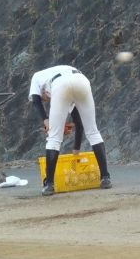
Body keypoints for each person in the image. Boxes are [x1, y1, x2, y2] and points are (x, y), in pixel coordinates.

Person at [29, 65, 111, 196]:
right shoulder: (55, 76)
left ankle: (49, 184)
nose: (48, 99)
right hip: (81, 80)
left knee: (54, 138)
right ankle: (105, 178)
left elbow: (36, 101)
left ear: (43, 91)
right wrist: (75, 153)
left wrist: (46, 121)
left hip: (60, 84)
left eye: (46, 97)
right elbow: (79, 124)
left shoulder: (36, 77)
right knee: (93, 132)